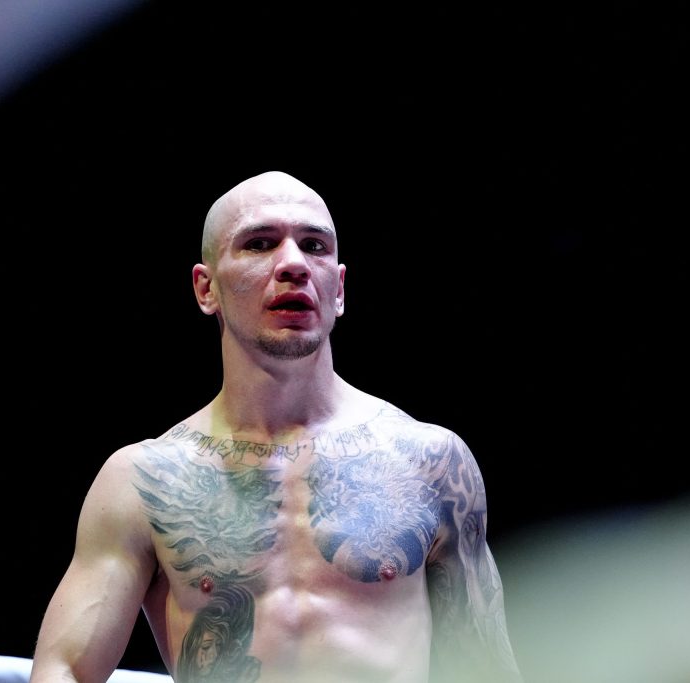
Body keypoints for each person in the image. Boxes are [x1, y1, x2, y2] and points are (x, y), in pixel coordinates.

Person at [28, 171, 524, 683]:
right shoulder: (143, 479)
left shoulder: (430, 461)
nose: (294, 264)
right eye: (260, 243)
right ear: (206, 288)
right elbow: (64, 670)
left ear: (339, 289)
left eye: (314, 246)